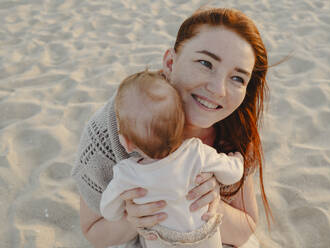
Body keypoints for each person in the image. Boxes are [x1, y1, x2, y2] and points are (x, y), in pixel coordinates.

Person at [72, 7, 271, 248]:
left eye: (237, 78)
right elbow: (93, 231)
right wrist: (135, 218)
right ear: (169, 62)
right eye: (205, 63)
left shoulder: (234, 125)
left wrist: (212, 203)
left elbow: (245, 228)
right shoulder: (115, 126)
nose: (219, 90)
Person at [99, 70, 244, 248]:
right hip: (203, 234)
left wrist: (125, 210)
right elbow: (232, 175)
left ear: (127, 143)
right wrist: (238, 161)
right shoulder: (195, 151)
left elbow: (109, 212)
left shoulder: (126, 173)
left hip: (161, 240)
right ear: (182, 125)